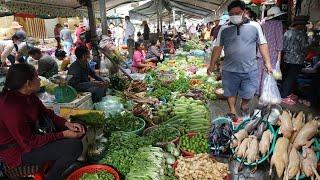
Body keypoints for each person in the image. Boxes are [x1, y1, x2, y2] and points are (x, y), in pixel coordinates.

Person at [0, 64, 84, 180]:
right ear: (28, 84)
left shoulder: (29, 95)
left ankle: (58, 163)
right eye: (36, 77)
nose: (40, 79)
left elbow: (47, 113)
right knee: (74, 146)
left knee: (80, 127)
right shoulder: (11, 107)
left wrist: (67, 123)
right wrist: (63, 134)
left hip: (33, 137)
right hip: (19, 152)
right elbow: (28, 142)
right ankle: (52, 176)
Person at [207, 0, 272, 120]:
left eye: (237, 13)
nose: (234, 16)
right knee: (230, 92)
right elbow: (217, 47)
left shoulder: (255, 26)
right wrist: (211, 64)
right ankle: (232, 111)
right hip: (229, 69)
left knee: (248, 93)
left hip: (250, 69)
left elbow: (262, 44)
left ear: (244, 12)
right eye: (231, 14)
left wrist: (268, 62)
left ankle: (244, 104)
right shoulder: (224, 28)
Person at [281, 16, 309, 104]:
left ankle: (286, 93)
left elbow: (283, 46)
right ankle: (284, 95)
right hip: (297, 60)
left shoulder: (287, 33)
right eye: (304, 25)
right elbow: (305, 47)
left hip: (287, 59)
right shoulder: (301, 34)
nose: (304, 26)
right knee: (291, 78)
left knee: (286, 77)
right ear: (299, 25)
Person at [257, 6, 285, 95]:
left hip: (260, 52)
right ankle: (265, 93)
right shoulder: (278, 24)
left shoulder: (263, 24)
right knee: (268, 73)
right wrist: (279, 58)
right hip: (272, 53)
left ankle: (257, 91)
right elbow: (279, 41)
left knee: (259, 73)